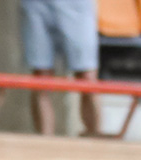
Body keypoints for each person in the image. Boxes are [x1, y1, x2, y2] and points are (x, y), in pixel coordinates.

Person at [21, 0, 101, 136]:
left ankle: (94, 139)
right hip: (37, 4)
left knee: (87, 77)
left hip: (75, 4)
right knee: (41, 78)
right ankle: (45, 143)